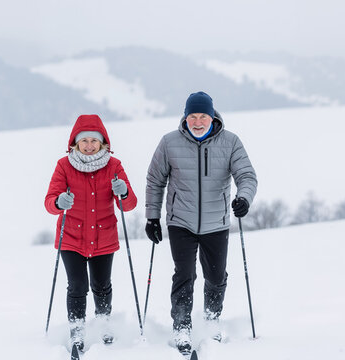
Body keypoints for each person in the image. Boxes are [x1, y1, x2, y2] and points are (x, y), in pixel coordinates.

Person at [145, 91, 257, 354]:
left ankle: (211, 318)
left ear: (212, 117)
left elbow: (247, 175)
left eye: (202, 116)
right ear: (185, 118)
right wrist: (152, 216)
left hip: (216, 222)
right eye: (192, 116)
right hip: (180, 221)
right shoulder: (169, 143)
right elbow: (155, 180)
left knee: (216, 277)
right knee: (184, 275)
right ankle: (182, 325)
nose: (197, 122)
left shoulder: (230, 142)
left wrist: (244, 198)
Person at [45, 114, 137, 351]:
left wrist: (123, 191)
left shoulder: (114, 166)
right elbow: (49, 202)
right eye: (83, 141)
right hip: (71, 238)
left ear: (103, 142)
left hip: (103, 236)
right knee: (77, 286)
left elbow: (129, 205)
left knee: (101, 284)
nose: (88, 145)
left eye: (93, 141)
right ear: (75, 143)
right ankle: (77, 330)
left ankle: (104, 323)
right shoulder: (63, 166)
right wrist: (59, 202)